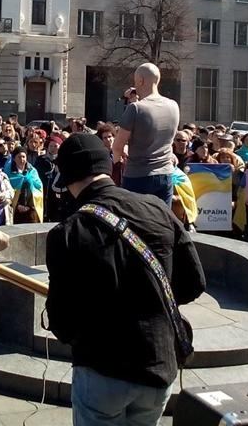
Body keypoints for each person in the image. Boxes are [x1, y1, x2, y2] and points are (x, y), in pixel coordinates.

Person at [46, 133, 205, 426]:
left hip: (102, 367)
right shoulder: (157, 207)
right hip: (158, 363)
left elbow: (62, 322)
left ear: (67, 177)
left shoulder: (68, 232)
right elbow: (194, 282)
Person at [112, 63, 180, 206]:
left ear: (140, 80)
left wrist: (118, 163)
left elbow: (117, 147)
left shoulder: (135, 108)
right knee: (161, 222)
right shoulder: (174, 105)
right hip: (166, 174)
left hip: (138, 176)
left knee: (135, 223)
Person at [5, 146, 44, 223]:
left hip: (31, 209)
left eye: (23, 157)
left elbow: (39, 187)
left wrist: (30, 206)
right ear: (14, 158)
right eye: (19, 157)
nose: (22, 159)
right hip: (16, 210)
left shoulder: (33, 171)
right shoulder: (8, 173)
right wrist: (18, 205)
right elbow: (7, 191)